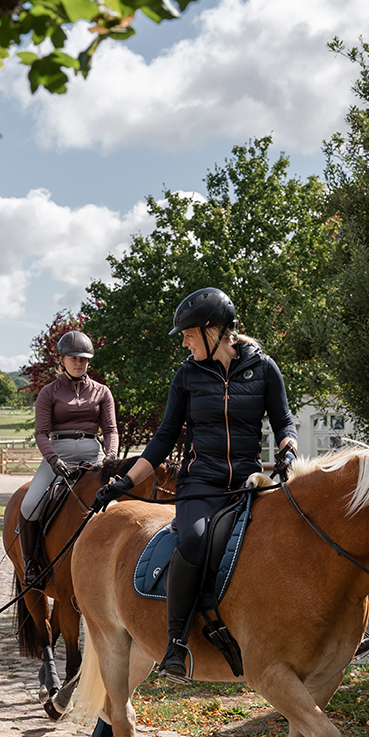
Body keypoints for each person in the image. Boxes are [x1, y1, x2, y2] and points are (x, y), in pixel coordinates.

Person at [93, 287, 298, 678]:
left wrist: (288, 449)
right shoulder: (187, 375)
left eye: (188, 335)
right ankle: (176, 642)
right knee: (194, 540)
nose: (185, 343)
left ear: (213, 331)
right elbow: (164, 437)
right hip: (200, 487)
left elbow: (283, 422)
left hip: (248, 483)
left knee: (295, 532)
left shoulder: (264, 369)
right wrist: (125, 481)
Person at [17, 330, 119, 588]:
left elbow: (110, 430)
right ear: (61, 360)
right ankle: (30, 562)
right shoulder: (48, 392)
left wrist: (111, 457)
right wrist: (52, 459)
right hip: (59, 452)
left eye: (83, 359)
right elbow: (40, 432)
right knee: (29, 505)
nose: (78, 363)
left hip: (93, 453)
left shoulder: (102, 392)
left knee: (117, 506)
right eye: (72, 358)